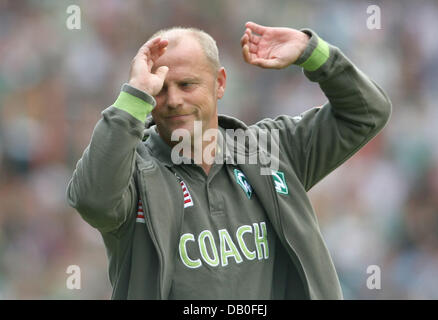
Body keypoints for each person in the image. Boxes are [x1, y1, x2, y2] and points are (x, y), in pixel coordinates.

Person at [66, 21, 392, 299]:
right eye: (160, 89)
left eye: (187, 84)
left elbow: (365, 114)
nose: (174, 100)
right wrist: (134, 95)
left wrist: (313, 53)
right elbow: (92, 199)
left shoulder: (272, 151)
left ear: (219, 83)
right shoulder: (134, 174)